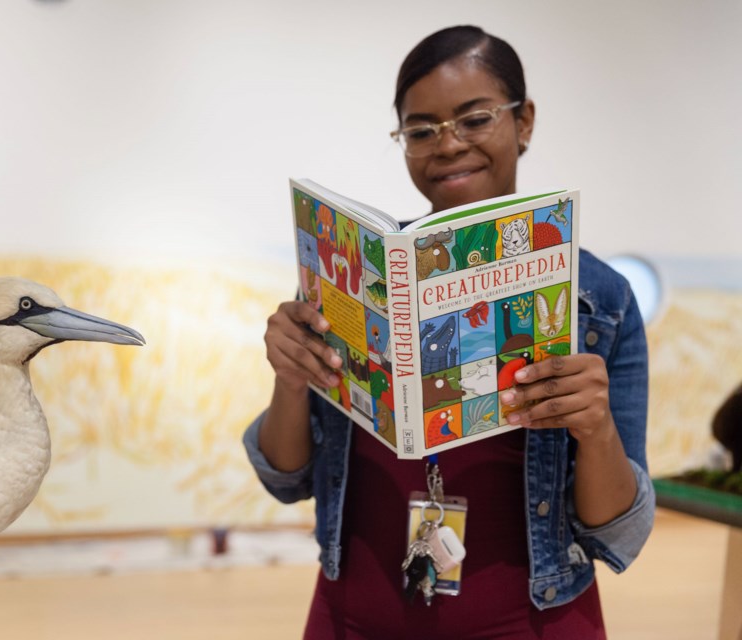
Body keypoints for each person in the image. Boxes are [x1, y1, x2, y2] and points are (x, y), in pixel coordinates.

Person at [243, 25, 654, 639]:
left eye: (474, 118)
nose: (448, 144)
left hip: (535, 621)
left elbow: (618, 529)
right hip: (354, 614)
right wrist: (291, 380)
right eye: (421, 129)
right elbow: (286, 477)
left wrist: (594, 430)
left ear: (525, 122)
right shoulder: (364, 272)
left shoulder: (598, 300)